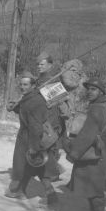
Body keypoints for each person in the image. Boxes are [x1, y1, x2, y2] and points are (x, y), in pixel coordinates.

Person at [60, 78, 106, 211]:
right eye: (88, 89)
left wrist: (73, 153)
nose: (90, 92)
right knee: (95, 189)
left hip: (95, 157)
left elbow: (86, 135)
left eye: (94, 89)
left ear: (101, 92)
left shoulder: (96, 109)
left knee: (95, 191)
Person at [5, 71, 59, 205]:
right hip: (26, 138)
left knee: (29, 165)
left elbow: (36, 127)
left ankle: (19, 190)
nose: (22, 87)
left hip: (32, 139)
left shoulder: (35, 101)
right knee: (34, 167)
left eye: (26, 84)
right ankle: (21, 190)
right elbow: (24, 111)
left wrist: (34, 147)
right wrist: (13, 107)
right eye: (21, 84)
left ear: (33, 85)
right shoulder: (27, 98)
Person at [36, 52, 66, 181]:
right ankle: (51, 171)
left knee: (50, 145)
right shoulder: (38, 80)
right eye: (38, 64)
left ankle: (53, 173)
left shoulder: (53, 80)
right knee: (44, 145)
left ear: (50, 65)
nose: (39, 66)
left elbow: (58, 103)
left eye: (42, 64)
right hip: (41, 117)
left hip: (51, 118)